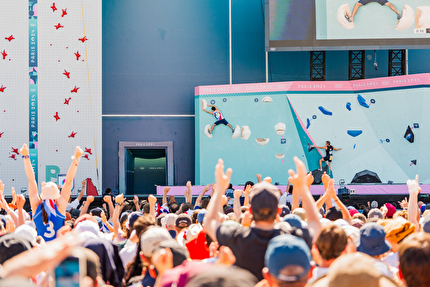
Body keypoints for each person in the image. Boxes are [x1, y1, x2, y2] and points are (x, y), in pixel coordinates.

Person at [21, 143, 83, 241]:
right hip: (56, 250)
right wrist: (75, 159)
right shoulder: (60, 207)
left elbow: (31, 179)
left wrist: (26, 156)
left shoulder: (36, 206)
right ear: (56, 196)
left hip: (41, 249)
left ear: (42, 195)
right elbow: (68, 181)